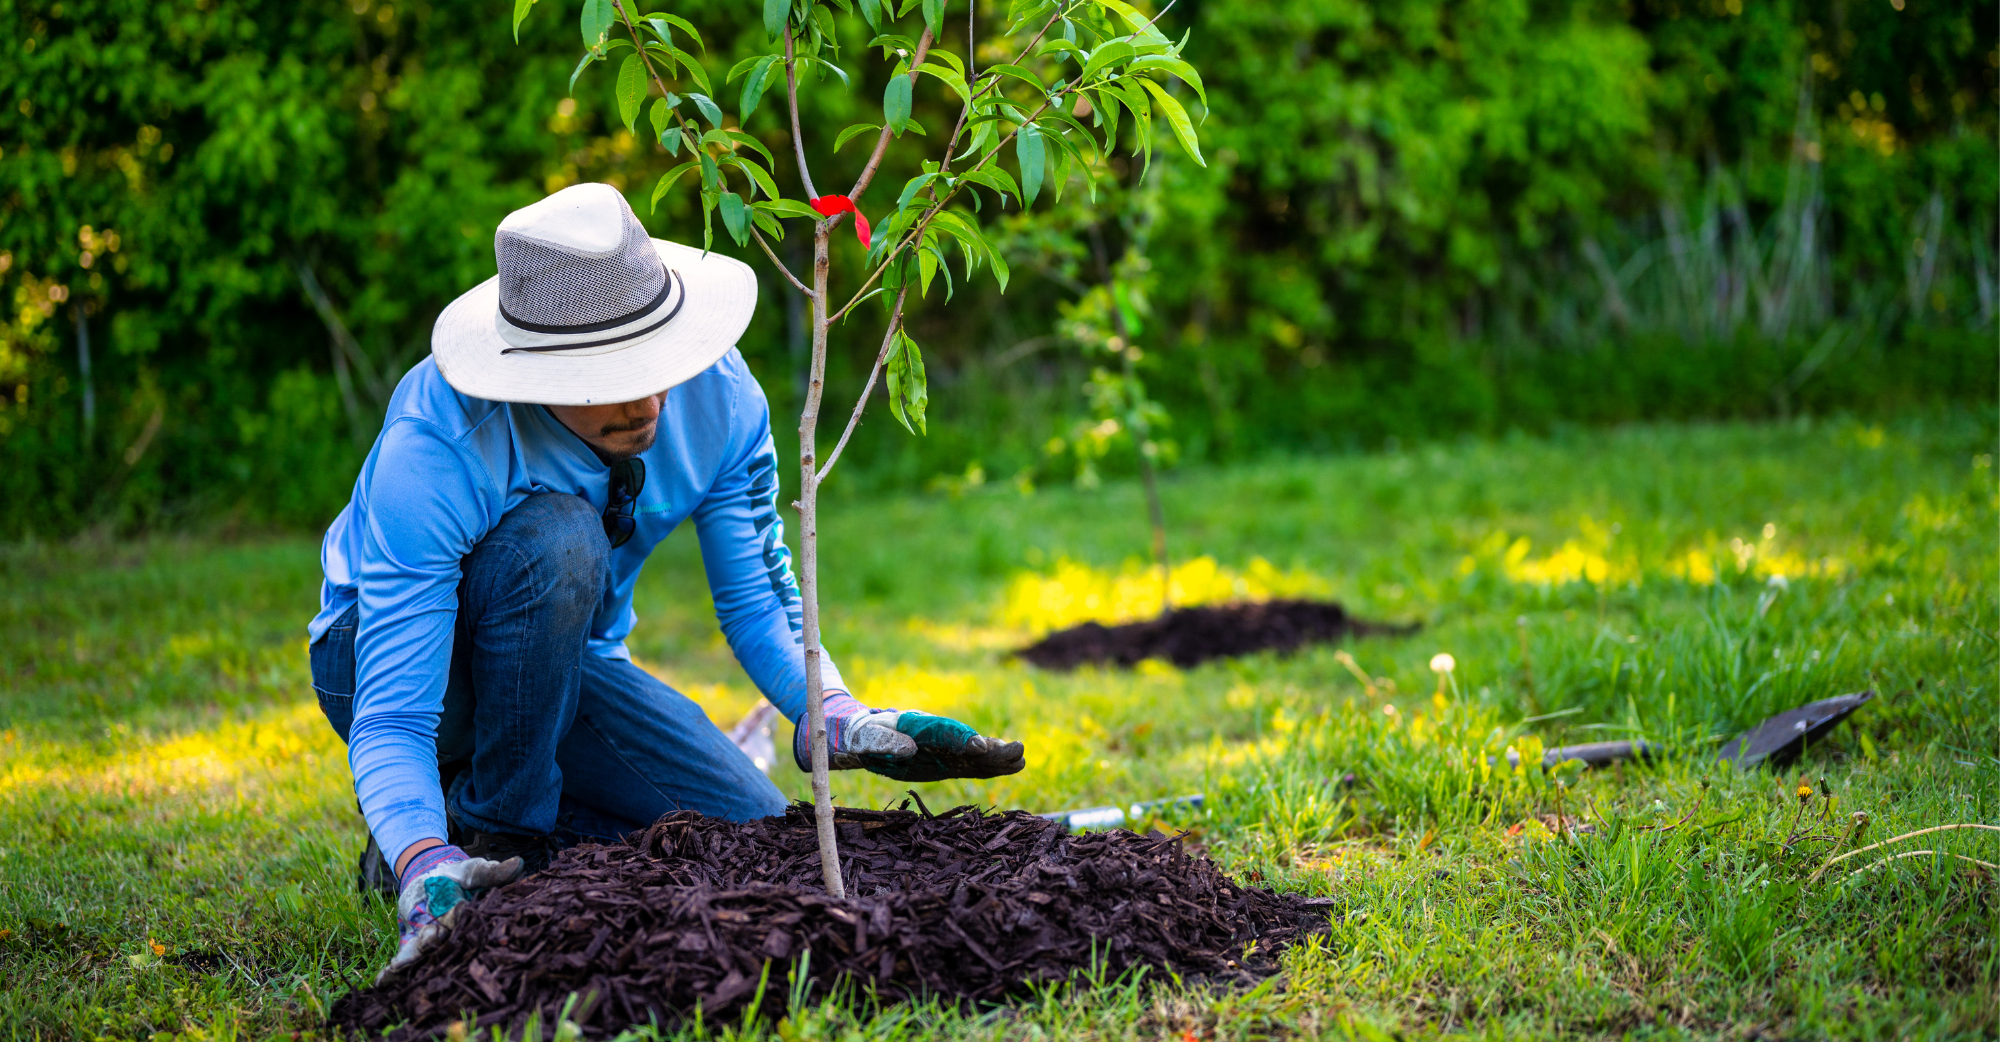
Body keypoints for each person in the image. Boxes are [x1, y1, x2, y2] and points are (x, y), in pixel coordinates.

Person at [306, 183, 1024, 974]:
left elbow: (759, 596)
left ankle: (474, 828)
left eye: (658, 361)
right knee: (560, 538)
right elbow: (394, 716)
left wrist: (834, 713)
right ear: (536, 373)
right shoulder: (441, 445)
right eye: (608, 374)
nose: (649, 399)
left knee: (746, 830)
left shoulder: (719, 398)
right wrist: (421, 861)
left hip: (566, 668)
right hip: (388, 666)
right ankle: (471, 843)